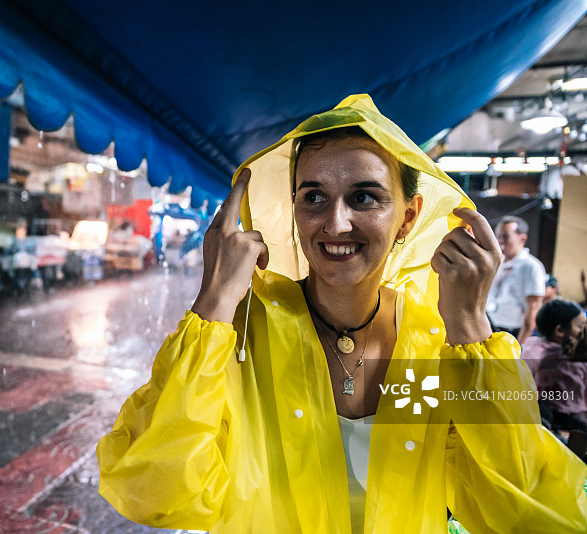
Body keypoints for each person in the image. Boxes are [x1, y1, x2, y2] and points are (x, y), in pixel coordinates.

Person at [96, 95, 587, 533]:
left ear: (408, 217)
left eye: (364, 197)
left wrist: (471, 325)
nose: (335, 222)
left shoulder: (432, 347)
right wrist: (213, 300)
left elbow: (521, 511)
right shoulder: (242, 332)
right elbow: (156, 488)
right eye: (314, 197)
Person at [522, 299, 587, 461]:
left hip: (559, 410)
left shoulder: (533, 344)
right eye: (580, 327)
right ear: (560, 331)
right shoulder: (547, 353)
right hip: (560, 413)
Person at [486, 216, 545, 342]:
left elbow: (533, 309)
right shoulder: (496, 262)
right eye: (498, 236)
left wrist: (520, 346)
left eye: (505, 236)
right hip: (489, 327)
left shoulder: (531, 266)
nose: (500, 241)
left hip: (513, 333)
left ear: (522, 238)